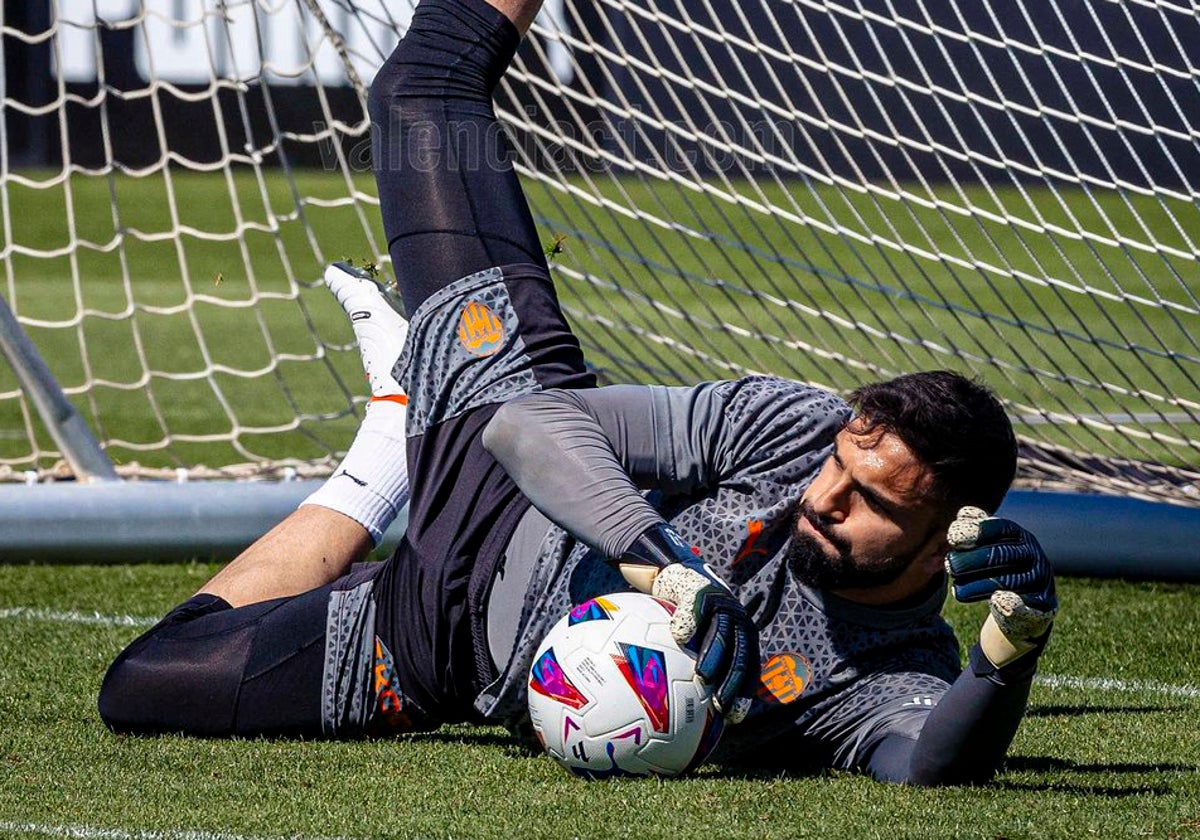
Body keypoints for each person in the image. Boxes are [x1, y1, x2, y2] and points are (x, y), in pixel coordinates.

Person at [98, 0, 1058, 784]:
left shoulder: (892, 671)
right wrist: (660, 563)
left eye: (873, 505)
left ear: (947, 538)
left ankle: (385, 450)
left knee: (141, 684)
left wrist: (1004, 662)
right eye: (842, 467)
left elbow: (928, 764)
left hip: (443, 648)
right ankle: (416, 422)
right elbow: (526, 424)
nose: (827, 497)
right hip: (500, 473)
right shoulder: (795, 429)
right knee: (422, 93)